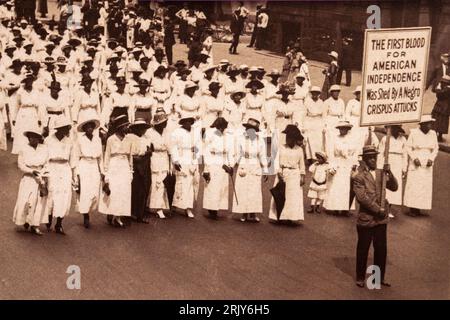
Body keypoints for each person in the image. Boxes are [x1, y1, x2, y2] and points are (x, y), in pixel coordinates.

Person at [353, 145, 398, 289]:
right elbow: (362, 198)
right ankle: (360, 277)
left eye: (375, 157)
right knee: (363, 248)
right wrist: (378, 209)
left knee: (380, 249)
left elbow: (394, 187)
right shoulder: (359, 177)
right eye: (370, 158)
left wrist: (389, 172)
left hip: (381, 219)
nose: (373, 160)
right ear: (365, 160)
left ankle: (378, 278)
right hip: (366, 218)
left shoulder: (381, 173)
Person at [12, 126, 48, 235]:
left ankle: (35, 225)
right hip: (28, 177)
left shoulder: (43, 148)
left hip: (40, 176)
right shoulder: (23, 149)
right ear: (28, 138)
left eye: (36, 137)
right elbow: (21, 165)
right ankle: (25, 220)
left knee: (38, 202)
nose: (34, 140)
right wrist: (31, 171)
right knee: (26, 201)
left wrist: (43, 173)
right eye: (31, 137)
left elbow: (47, 163)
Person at [233, 118, 269, 222]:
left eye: (252, 129)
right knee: (243, 189)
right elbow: (237, 154)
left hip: (255, 165)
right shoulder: (241, 139)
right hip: (244, 163)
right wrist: (231, 165)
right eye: (248, 128)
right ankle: (244, 213)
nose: (250, 131)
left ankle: (253, 213)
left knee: (254, 190)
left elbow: (263, 156)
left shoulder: (260, 140)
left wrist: (265, 170)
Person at [269, 124, 306, 223]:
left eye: (289, 137)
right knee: (280, 194)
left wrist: (302, 176)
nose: (287, 139)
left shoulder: (299, 150)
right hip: (283, 173)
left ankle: (291, 217)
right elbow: (276, 162)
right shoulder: (281, 148)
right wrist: (279, 172)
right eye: (286, 137)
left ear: (294, 139)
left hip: (294, 174)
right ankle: (278, 217)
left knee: (292, 196)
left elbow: (302, 164)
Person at [404, 115, 439, 217]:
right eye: (428, 123)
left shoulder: (433, 134)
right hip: (416, 160)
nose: (429, 126)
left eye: (430, 124)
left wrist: (431, 159)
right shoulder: (414, 133)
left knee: (424, 185)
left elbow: (436, 148)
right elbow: (408, 147)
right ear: (422, 125)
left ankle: (419, 207)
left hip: (427, 160)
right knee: (415, 184)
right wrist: (414, 158)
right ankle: (412, 208)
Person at [44, 116, 74, 235]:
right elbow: (45, 158)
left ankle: (59, 223)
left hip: (65, 168)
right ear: (59, 129)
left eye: (68, 127)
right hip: (52, 168)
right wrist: (45, 173)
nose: (68, 130)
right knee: (51, 193)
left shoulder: (70, 141)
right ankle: (49, 217)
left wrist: (74, 176)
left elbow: (73, 159)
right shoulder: (48, 140)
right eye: (65, 128)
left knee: (64, 195)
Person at [102, 115, 133, 227]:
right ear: (120, 127)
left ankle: (118, 216)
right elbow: (107, 156)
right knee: (114, 191)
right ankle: (112, 213)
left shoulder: (129, 139)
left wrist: (131, 171)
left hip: (124, 166)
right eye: (125, 126)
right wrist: (106, 173)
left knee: (123, 191)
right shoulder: (111, 139)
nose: (127, 128)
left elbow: (130, 157)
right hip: (114, 166)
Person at [73, 118, 103, 229]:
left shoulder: (98, 139)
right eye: (87, 127)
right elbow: (76, 156)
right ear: (85, 129)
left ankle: (89, 210)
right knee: (85, 190)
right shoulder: (80, 140)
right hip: (84, 164)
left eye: (91, 127)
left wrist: (102, 170)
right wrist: (76, 173)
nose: (90, 129)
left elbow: (101, 157)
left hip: (94, 165)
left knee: (94, 191)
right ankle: (85, 216)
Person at [170, 115, 202, 218]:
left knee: (192, 183)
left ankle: (188, 208)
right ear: (182, 122)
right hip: (181, 157)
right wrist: (175, 160)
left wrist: (196, 159)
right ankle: (175, 205)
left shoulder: (195, 132)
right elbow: (173, 147)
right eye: (186, 121)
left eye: (190, 121)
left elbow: (199, 146)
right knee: (180, 183)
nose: (188, 123)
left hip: (192, 158)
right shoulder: (176, 132)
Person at [324, 120, 358, 216]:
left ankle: (345, 209)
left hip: (348, 164)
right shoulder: (335, 139)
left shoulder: (353, 139)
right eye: (341, 128)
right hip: (338, 163)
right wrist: (332, 165)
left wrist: (355, 163)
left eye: (344, 128)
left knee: (347, 187)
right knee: (337, 185)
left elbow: (355, 153)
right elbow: (331, 153)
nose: (342, 130)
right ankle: (335, 207)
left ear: (348, 129)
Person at [202, 117, 234, 219]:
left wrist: (231, 165)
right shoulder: (210, 135)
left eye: (223, 128)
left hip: (223, 162)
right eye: (219, 127)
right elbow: (206, 152)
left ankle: (217, 207)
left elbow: (230, 152)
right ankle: (212, 209)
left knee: (222, 187)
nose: (221, 130)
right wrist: (206, 169)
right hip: (213, 161)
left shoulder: (227, 136)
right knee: (212, 187)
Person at [376, 125, 407, 218]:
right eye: (394, 129)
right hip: (388, 161)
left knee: (395, 185)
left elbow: (405, 155)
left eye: (398, 129)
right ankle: (383, 207)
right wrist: (380, 166)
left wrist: (404, 168)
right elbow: (380, 153)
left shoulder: (403, 140)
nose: (396, 131)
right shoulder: (385, 138)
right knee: (386, 185)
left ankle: (389, 208)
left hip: (398, 163)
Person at [146, 108, 171, 219]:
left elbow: (170, 148)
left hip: (164, 158)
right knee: (157, 182)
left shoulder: (167, 133)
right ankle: (157, 207)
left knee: (163, 182)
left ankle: (161, 206)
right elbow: (148, 147)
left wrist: (172, 163)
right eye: (163, 122)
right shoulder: (149, 133)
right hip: (154, 158)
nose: (165, 124)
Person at [129, 118, 152, 224]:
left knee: (144, 189)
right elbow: (131, 154)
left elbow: (149, 150)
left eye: (144, 128)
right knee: (135, 190)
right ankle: (132, 213)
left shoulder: (146, 138)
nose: (143, 130)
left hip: (145, 164)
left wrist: (148, 153)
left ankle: (140, 213)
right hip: (134, 165)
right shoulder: (130, 138)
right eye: (141, 128)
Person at [303, 86, 326, 161]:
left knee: (318, 141)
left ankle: (318, 157)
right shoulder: (307, 102)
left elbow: (324, 115)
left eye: (317, 93)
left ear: (319, 94)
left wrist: (324, 125)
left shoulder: (321, 102)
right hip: (309, 122)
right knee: (310, 141)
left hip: (319, 122)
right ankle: (310, 157)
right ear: (311, 94)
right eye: (313, 93)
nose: (315, 95)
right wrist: (304, 125)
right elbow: (304, 114)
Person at [431, 75, 450, 142]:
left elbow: (439, 95)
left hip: (441, 107)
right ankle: (439, 135)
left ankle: (437, 135)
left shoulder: (447, 89)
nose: (441, 83)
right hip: (445, 108)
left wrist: (438, 88)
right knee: (442, 122)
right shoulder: (446, 88)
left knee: (438, 121)